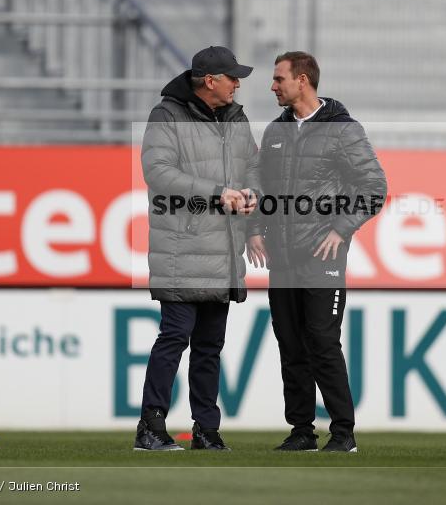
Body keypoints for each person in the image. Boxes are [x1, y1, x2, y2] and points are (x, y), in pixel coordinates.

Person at [246, 51, 387, 453]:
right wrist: (254, 230)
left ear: (302, 80)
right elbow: (261, 191)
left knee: (322, 344)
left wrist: (342, 230)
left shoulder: (344, 130)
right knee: (291, 346)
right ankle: (302, 431)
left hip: (322, 258)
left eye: (278, 79)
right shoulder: (274, 132)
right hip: (282, 259)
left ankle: (343, 433)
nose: (273, 86)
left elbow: (374, 187)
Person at [134, 46, 260, 452]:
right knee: (174, 338)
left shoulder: (236, 118)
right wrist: (216, 193)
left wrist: (253, 192)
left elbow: (253, 165)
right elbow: (157, 172)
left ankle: (206, 429)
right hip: (181, 247)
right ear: (210, 82)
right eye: (232, 78)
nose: (238, 84)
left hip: (223, 248)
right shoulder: (166, 116)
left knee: (209, 347)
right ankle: (150, 428)